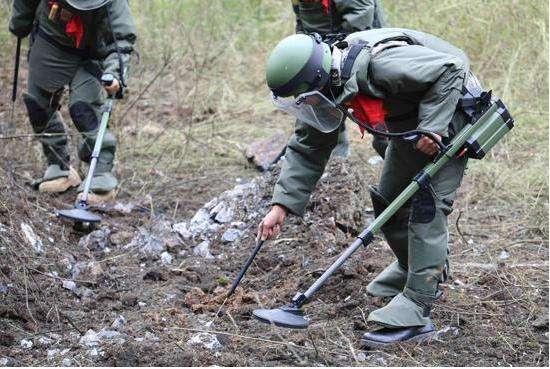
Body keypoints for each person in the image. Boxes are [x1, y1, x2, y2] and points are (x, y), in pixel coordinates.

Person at [259, 28, 475, 345]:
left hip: (455, 112)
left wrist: (433, 127)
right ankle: (411, 267)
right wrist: (281, 206)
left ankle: (417, 307)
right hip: (412, 119)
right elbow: (308, 147)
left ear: (315, 79)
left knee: (425, 205)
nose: (304, 106)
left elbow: (450, 69)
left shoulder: (380, 64)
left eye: (303, 98)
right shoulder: (328, 86)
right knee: (389, 200)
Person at [9, 0, 136, 204]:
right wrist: (19, 23)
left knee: (84, 111)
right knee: (38, 106)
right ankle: (59, 168)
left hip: (90, 54)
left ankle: (101, 177)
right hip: (50, 43)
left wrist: (114, 73)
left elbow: (122, 40)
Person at [290, 0, 389, 158]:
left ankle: (404, 167)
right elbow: (301, 22)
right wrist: (305, 55)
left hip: (357, 53)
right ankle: (337, 161)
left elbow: (360, 25)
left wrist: (339, 58)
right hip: (321, 55)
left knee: (379, 118)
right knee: (322, 115)